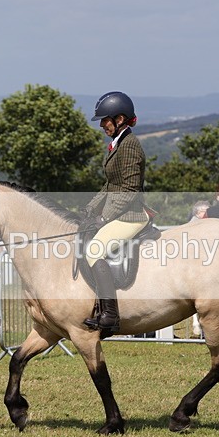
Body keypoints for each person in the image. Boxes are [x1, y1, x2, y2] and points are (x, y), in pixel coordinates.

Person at [82, 91, 150, 335]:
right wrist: (89, 209)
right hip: (119, 213)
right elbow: (110, 185)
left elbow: (129, 189)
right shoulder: (118, 144)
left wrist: (104, 217)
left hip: (130, 216)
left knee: (94, 250)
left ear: (119, 119)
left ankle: (110, 314)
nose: (101, 125)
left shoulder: (130, 146)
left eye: (105, 120)